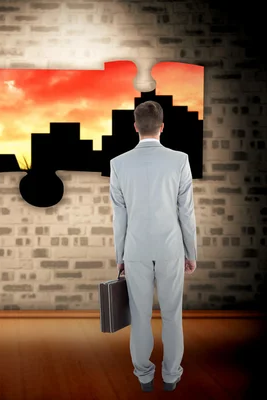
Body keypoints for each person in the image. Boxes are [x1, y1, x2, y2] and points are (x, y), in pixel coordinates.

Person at [109, 100, 198, 392]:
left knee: (140, 316)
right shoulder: (180, 160)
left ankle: (144, 376)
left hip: (135, 250)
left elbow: (118, 216)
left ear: (135, 127)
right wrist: (191, 252)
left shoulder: (118, 163)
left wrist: (119, 256)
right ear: (162, 127)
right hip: (171, 248)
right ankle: (171, 376)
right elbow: (186, 211)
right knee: (173, 316)